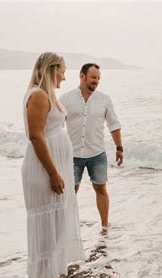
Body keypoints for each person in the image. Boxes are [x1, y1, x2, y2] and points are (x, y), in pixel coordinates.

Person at [21, 52, 84, 278]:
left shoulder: (46, 94)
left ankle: (47, 274)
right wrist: (54, 173)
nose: (64, 76)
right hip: (43, 170)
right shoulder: (37, 95)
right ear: (51, 70)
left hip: (54, 168)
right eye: (62, 70)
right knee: (44, 224)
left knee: (55, 222)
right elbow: (36, 137)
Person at [59, 63, 123, 229]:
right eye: (93, 77)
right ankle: (66, 226)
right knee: (70, 192)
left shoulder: (104, 99)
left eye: (98, 78)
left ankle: (105, 225)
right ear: (82, 76)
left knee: (101, 188)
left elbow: (113, 124)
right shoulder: (66, 99)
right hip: (72, 155)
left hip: (97, 154)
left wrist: (119, 148)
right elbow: (56, 126)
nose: (96, 81)